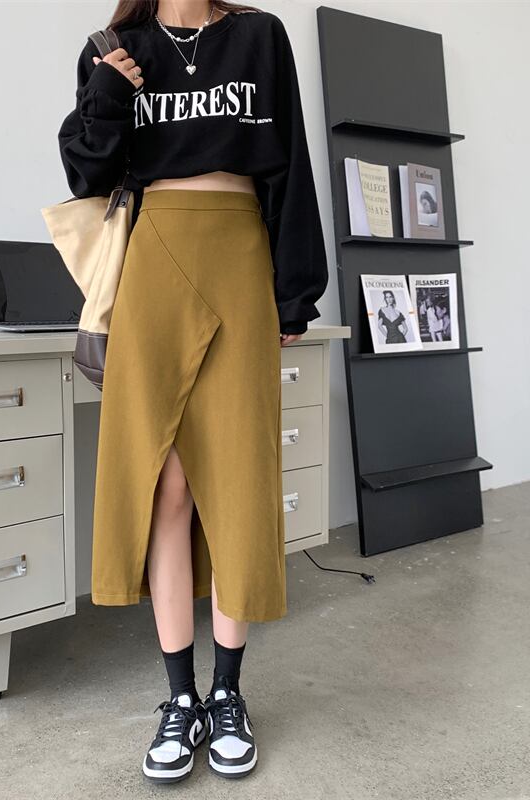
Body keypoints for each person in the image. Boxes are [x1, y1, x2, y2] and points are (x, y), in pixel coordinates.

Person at [56, 0, 329, 784]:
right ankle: (181, 698)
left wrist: (294, 293)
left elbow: (289, 160)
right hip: (154, 260)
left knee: (238, 479)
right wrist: (108, 93)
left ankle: (228, 693)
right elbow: (87, 174)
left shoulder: (259, 36)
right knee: (166, 487)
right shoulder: (117, 47)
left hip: (240, 251)